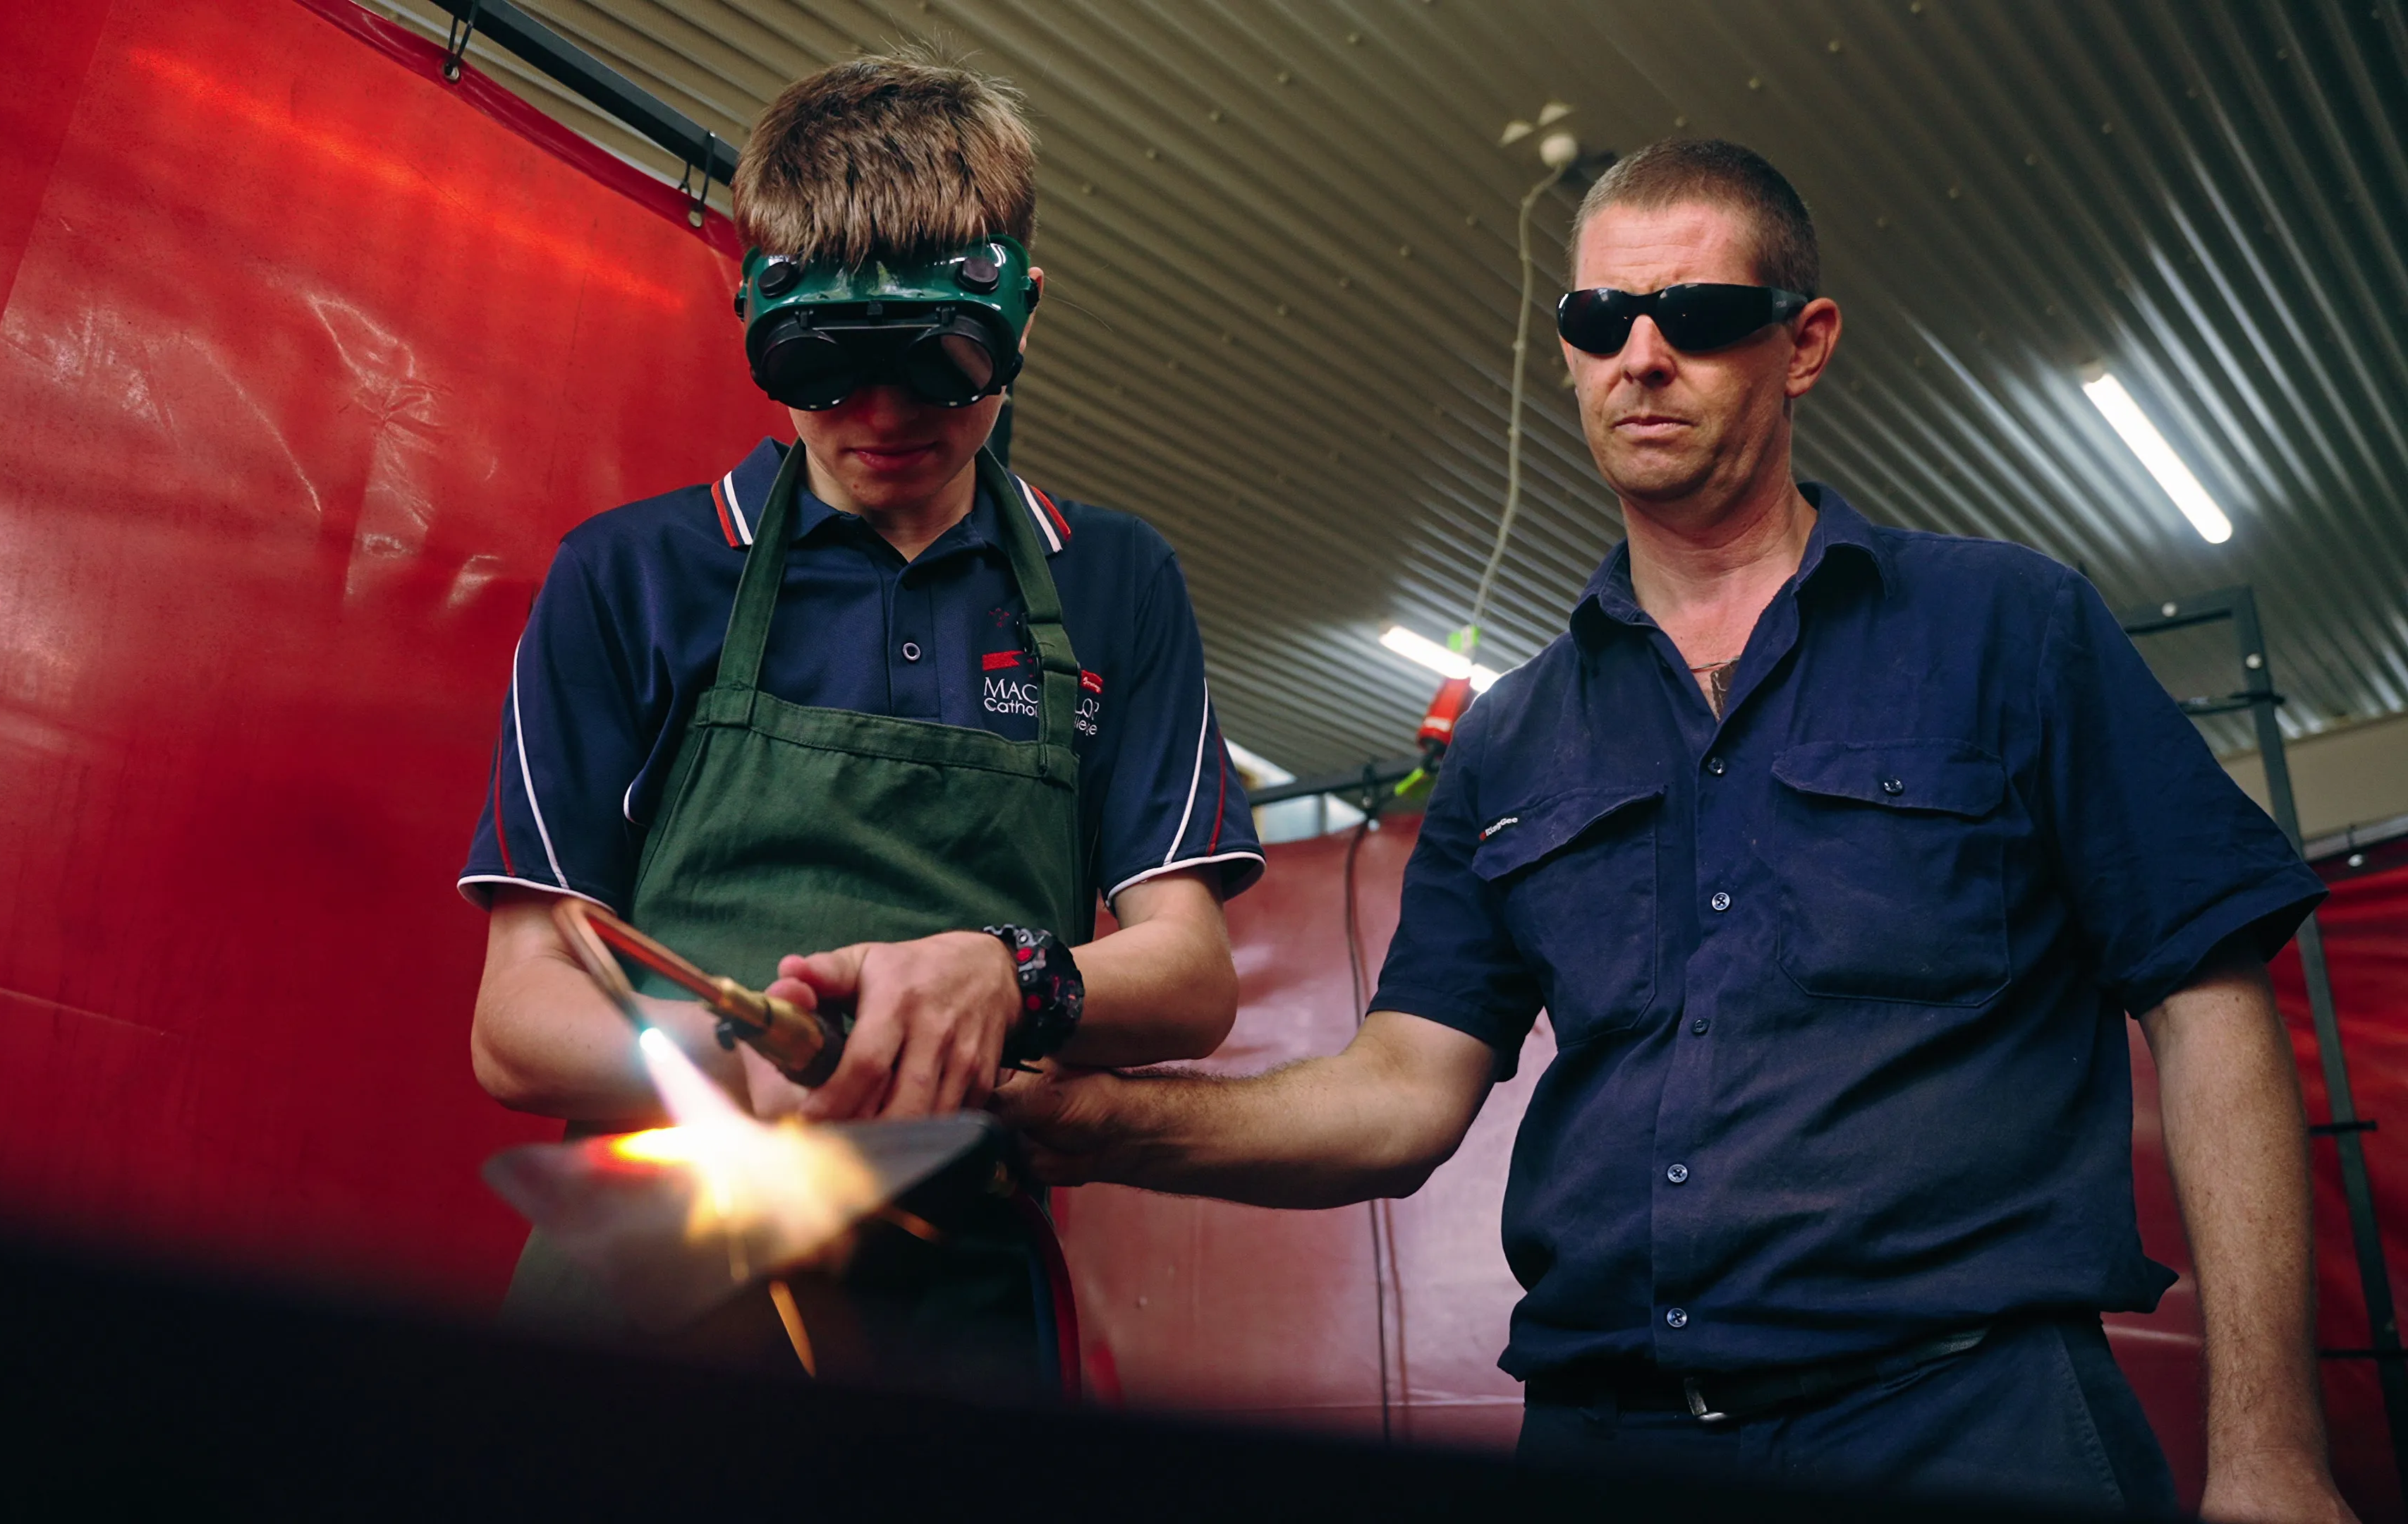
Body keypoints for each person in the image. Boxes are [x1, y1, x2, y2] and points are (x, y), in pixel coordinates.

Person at [999, 138, 2352, 1518]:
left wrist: (2271, 1454)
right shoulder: (1511, 740)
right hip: (1611, 1436)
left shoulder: (2011, 630)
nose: (1642, 356)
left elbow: (2210, 1009)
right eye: (1601, 320)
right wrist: (1107, 1123)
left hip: (1964, 1421)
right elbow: (1400, 1094)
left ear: (1804, 342)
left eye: (1696, 317)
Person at [457, 49, 1261, 1389]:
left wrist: (1016, 975)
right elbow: (519, 1016)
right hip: (650, 1286)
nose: (881, 419)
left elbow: (1191, 976)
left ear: (1022, 312)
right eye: (827, 369)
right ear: (759, 316)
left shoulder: (1114, 579)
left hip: (958, 1301)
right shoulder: (637, 573)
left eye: (938, 365)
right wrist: (732, 1062)